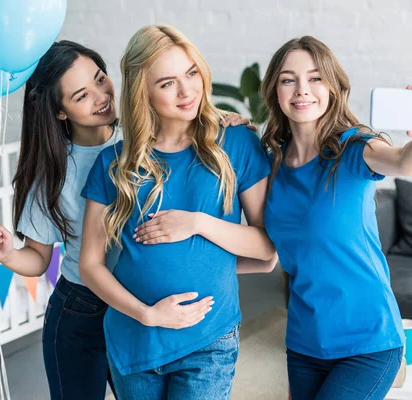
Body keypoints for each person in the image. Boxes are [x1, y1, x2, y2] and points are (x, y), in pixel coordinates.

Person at [0, 40, 251, 400]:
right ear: (60, 112)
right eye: (81, 95)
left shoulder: (143, 139)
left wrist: (222, 120)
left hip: (145, 308)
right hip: (83, 309)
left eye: (100, 79)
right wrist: (8, 255)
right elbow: (39, 258)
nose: (101, 96)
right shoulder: (53, 172)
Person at [79, 25, 276, 399]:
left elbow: (267, 248)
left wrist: (196, 224)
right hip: (134, 338)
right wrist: (147, 314)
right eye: (168, 83)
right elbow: (90, 264)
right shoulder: (114, 163)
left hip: (208, 339)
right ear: (144, 93)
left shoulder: (236, 143)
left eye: (191, 73)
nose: (187, 91)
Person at [260, 36, 412, 399]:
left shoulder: (354, 148)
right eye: (288, 79)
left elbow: (404, 162)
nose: (302, 90)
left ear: (332, 86)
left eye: (315, 78)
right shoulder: (269, 162)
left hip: (368, 341)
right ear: (275, 90)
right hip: (304, 342)